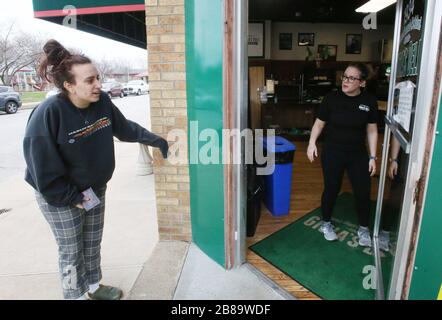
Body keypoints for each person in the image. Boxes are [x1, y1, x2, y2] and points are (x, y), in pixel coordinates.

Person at [23, 40, 169, 300]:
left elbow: (124, 128)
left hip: (93, 188)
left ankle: (92, 286)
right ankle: (74, 295)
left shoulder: (101, 102)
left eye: (98, 78)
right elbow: (42, 169)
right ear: (69, 85)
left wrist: (155, 140)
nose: (98, 85)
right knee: (70, 249)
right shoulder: (49, 113)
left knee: (91, 241)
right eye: (89, 80)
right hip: (60, 195)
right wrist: (72, 198)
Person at [307, 63, 378, 247]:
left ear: (362, 83)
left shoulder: (369, 101)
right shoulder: (331, 98)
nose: (345, 81)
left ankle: (364, 228)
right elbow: (319, 123)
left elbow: (372, 130)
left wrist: (373, 157)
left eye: (351, 78)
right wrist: (311, 142)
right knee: (332, 187)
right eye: (344, 77)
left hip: (357, 153)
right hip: (333, 151)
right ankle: (326, 223)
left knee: (363, 191)